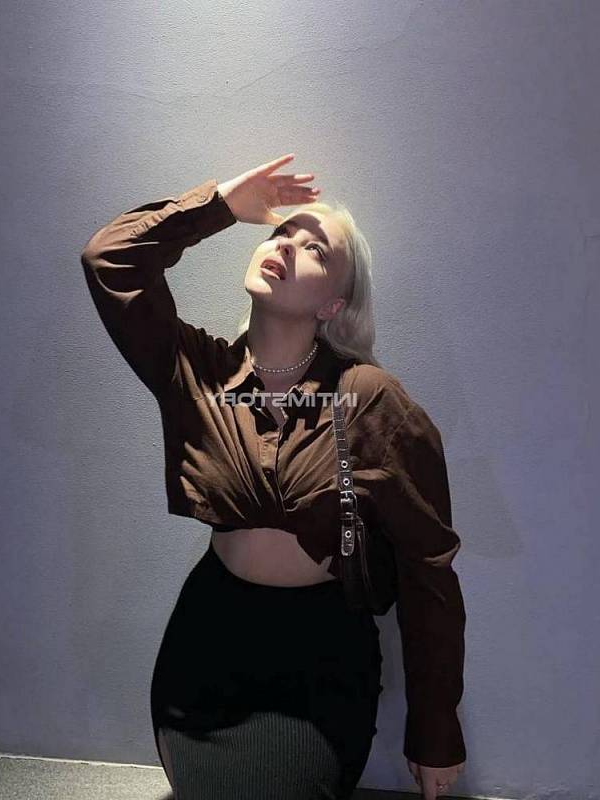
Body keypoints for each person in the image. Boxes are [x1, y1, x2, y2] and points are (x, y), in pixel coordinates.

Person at [80, 153, 467, 799]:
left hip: (320, 658)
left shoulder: (369, 399)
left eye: (314, 248)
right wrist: (221, 206)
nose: (286, 245)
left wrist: (435, 730)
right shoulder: (196, 373)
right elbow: (109, 259)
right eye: (282, 233)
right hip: (207, 641)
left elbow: (428, 571)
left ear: (333, 304)